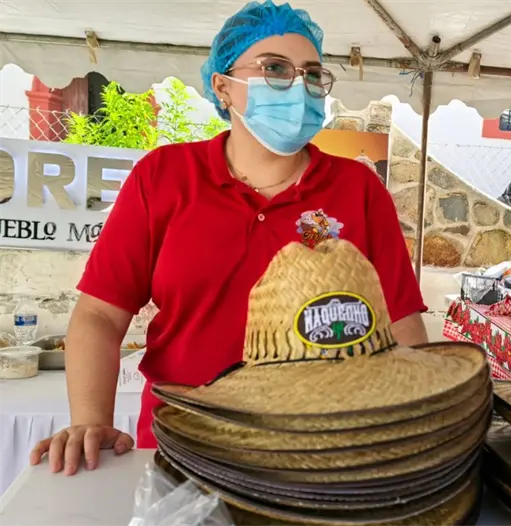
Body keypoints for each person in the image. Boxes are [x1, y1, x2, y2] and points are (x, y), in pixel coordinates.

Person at [30, 1, 427, 476]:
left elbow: (401, 322)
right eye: (274, 69)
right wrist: (89, 422)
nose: (298, 86)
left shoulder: (358, 189)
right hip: (183, 442)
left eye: (313, 74)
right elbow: (99, 313)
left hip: (324, 452)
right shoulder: (163, 178)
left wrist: (417, 428)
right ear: (223, 87)